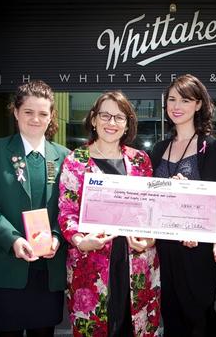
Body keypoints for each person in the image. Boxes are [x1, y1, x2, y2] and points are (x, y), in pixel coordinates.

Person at [58, 90, 160, 337]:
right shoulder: (76, 161)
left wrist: (151, 238)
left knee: (134, 326)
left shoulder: (140, 161)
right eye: (105, 116)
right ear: (93, 119)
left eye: (119, 117)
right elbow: (66, 212)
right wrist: (82, 241)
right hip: (91, 262)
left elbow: (151, 209)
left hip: (135, 261)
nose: (111, 123)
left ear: (127, 125)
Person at [0, 80, 69, 337]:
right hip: (4, 264)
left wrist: (58, 238)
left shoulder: (65, 157)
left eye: (42, 113)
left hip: (46, 270)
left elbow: (70, 208)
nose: (35, 119)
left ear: (51, 117)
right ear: (15, 112)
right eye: (28, 112)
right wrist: (13, 239)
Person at [150, 74, 216, 337]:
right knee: (171, 316)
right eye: (171, 99)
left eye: (184, 99)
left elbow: (215, 201)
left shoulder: (209, 147)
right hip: (164, 248)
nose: (176, 105)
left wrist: (188, 192)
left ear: (198, 105)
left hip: (196, 249)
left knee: (199, 318)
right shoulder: (159, 148)